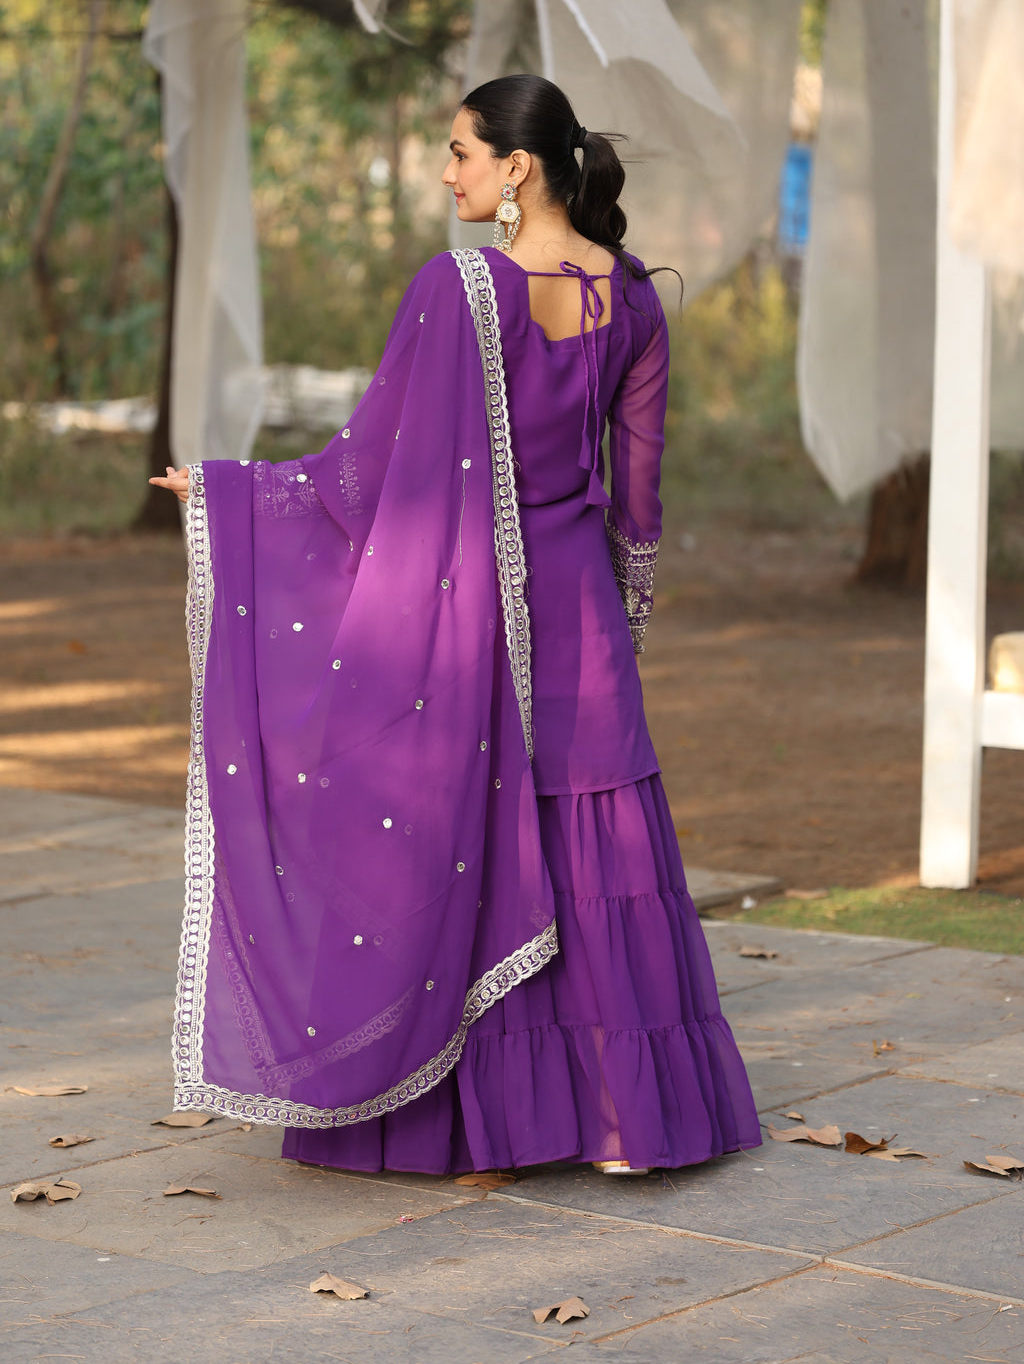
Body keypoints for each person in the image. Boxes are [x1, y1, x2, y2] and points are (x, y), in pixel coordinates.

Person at [151, 74, 760, 1177]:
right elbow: (641, 491)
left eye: (460, 152)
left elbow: (371, 465)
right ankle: (622, 1122)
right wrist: (623, 615)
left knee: (478, 830)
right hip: (578, 604)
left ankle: (487, 1125)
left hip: (471, 604)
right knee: (594, 834)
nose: (447, 174)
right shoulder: (632, 296)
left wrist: (238, 494)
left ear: (515, 167)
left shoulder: (463, 287)